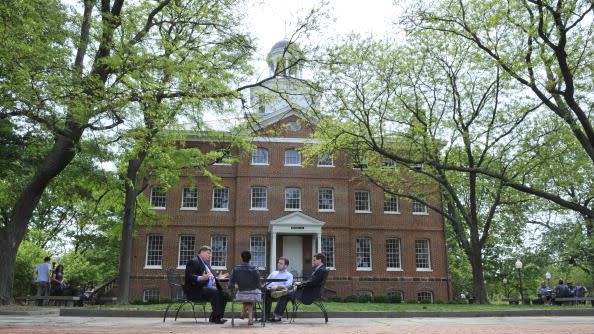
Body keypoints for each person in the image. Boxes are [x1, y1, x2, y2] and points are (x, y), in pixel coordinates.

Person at [271, 252, 327, 322]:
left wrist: (299, 285)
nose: (313, 261)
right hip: (309, 291)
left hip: (309, 294)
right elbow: (311, 281)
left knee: (284, 294)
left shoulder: (321, 270)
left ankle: (277, 316)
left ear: (320, 260)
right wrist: (299, 284)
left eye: (314, 260)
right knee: (289, 288)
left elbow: (312, 282)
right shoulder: (320, 269)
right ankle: (284, 293)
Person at [184, 245, 229, 324]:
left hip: (205, 289)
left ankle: (214, 317)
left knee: (224, 294)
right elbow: (189, 276)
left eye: (210, 254)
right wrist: (201, 278)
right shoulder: (194, 261)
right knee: (216, 292)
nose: (210, 255)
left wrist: (218, 277)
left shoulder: (206, 264)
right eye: (208, 253)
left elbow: (210, 277)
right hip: (195, 290)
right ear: (202, 252)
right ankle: (217, 318)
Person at [228, 250, 261, 325]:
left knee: (247, 296)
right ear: (250, 258)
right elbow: (259, 284)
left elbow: (230, 285)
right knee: (251, 296)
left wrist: (235, 286)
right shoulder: (255, 269)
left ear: (241, 258)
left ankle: (243, 313)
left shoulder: (235, 269)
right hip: (253, 294)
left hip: (241, 294)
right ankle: (250, 319)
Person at [263, 257, 293, 321]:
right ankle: (265, 317)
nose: (278, 264)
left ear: (286, 266)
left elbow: (288, 285)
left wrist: (278, 286)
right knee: (266, 293)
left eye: (281, 263)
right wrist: (266, 287)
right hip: (269, 291)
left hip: (280, 292)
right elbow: (266, 282)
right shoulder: (274, 272)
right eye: (278, 263)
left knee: (285, 294)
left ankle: (276, 316)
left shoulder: (289, 275)